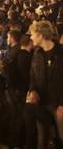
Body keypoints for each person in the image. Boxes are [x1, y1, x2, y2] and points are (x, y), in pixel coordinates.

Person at [28, 20, 63, 148]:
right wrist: (32, 90)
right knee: (41, 140)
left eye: (32, 34)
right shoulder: (37, 54)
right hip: (42, 102)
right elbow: (32, 75)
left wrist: (61, 104)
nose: (30, 37)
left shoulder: (60, 53)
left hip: (59, 105)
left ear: (41, 35)